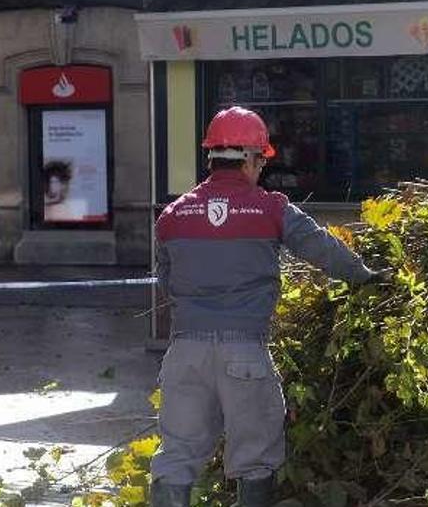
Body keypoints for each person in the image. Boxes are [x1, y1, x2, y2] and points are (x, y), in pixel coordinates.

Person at [150, 107, 379, 507]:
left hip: (184, 353)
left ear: (211, 159)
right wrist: (366, 276)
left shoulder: (172, 215)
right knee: (255, 461)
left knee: (176, 458)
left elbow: (167, 281)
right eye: (261, 161)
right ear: (251, 159)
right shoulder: (271, 209)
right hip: (245, 353)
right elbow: (323, 249)